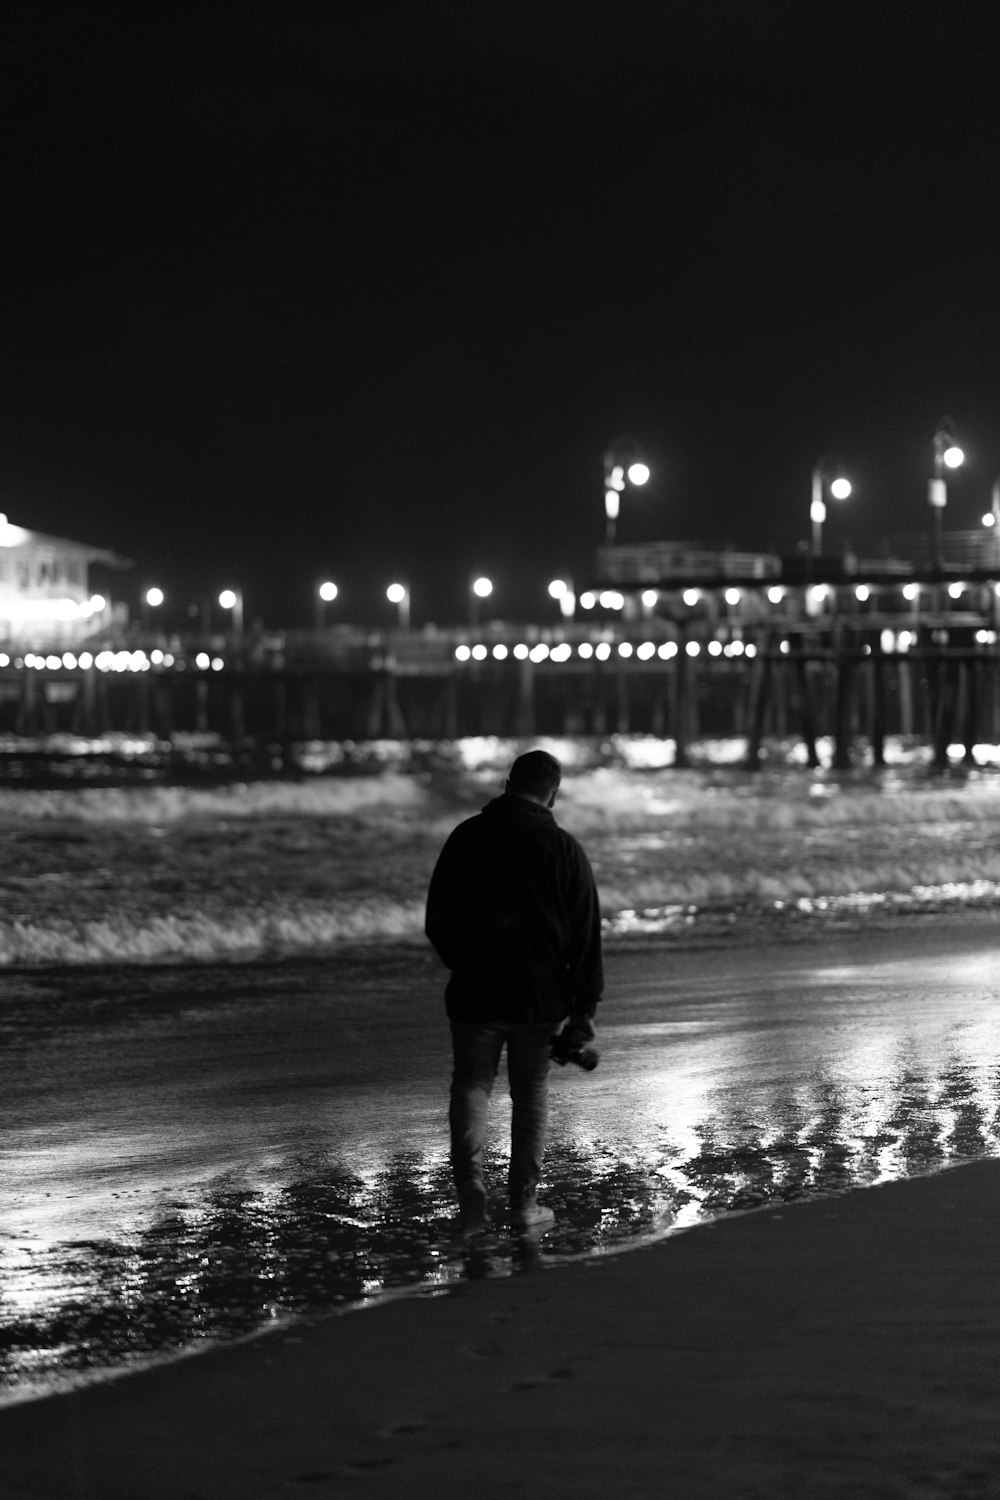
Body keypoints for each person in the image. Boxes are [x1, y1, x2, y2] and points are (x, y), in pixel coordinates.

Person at [425, 748, 604, 1235]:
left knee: (471, 1086)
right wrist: (584, 1008)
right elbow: (586, 935)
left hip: (475, 991)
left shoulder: (466, 837)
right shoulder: (564, 848)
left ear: (507, 783)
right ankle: (524, 1207)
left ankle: (473, 1205)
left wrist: (463, 963)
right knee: (530, 1094)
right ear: (554, 793)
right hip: (540, 997)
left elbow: (437, 917)